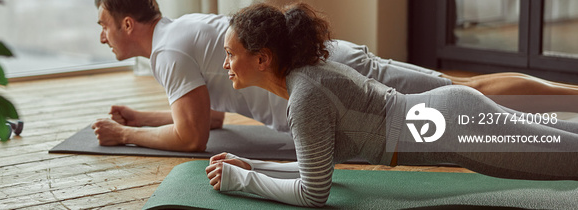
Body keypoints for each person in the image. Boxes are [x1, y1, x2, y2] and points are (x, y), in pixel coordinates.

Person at [205, 3, 578, 207]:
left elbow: (312, 193)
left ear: (262, 58)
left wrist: (244, 180)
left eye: (229, 54)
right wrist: (252, 164)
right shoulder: (306, 79)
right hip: (448, 116)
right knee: (566, 139)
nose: (224, 64)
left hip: (455, 130)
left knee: (570, 158)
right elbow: (314, 166)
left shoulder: (305, 97)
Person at [91, 0, 578, 152]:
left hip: (338, 76)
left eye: (104, 26)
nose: (102, 37)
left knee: (466, 93)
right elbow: (211, 117)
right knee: (465, 96)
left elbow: (193, 137)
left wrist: (127, 134)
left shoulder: (167, 53)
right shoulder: (181, 33)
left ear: (127, 24)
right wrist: (143, 114)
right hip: (336, 71)